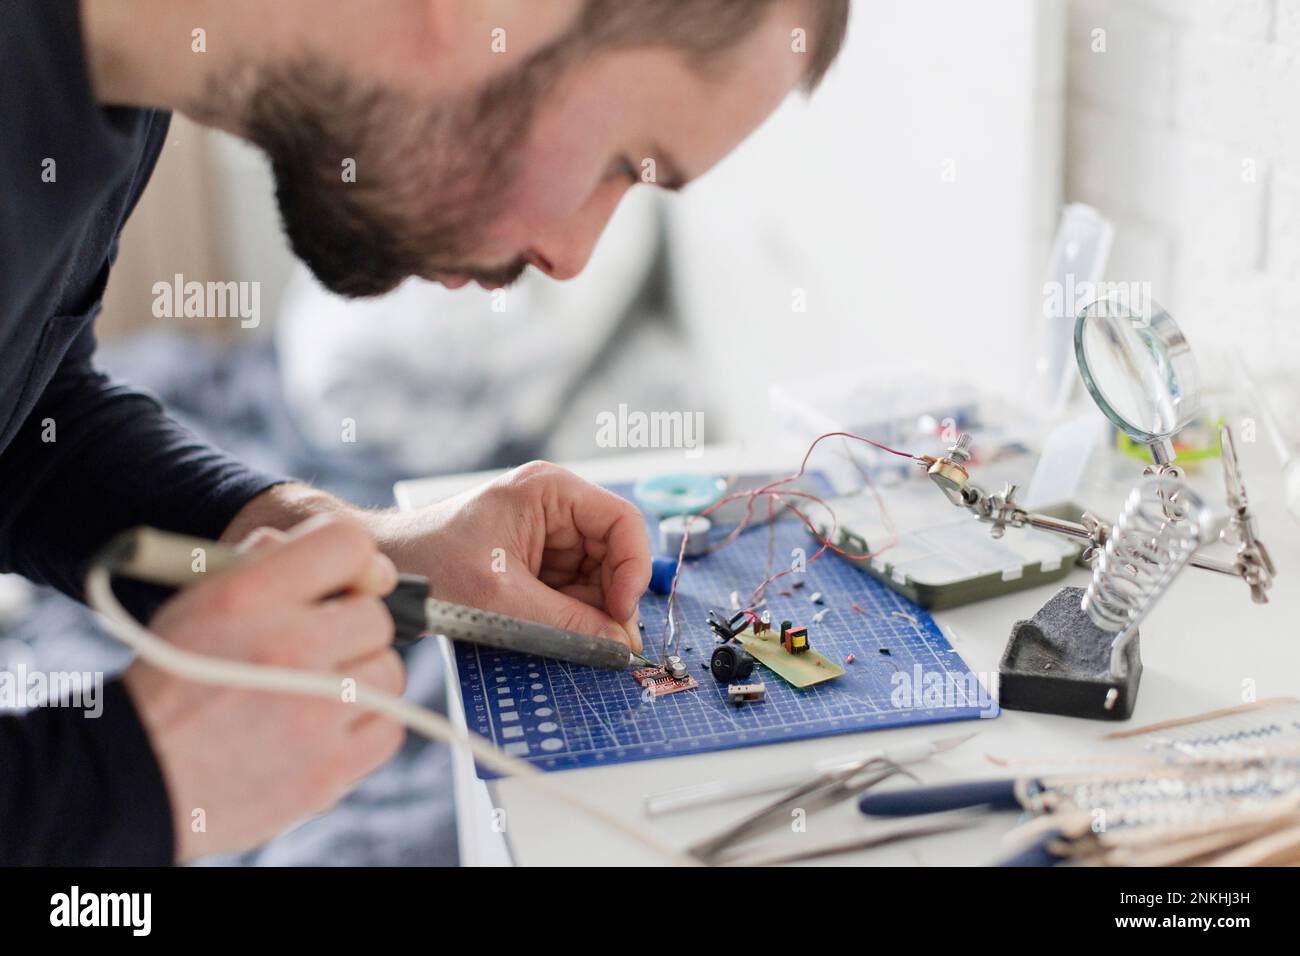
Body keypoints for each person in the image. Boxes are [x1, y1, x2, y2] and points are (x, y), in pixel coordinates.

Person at [0, 0, 848, 864]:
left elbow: (26, 423)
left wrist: (368, 550)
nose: (573, 256)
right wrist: (128, 778)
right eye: (624, 163)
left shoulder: (110, 90)